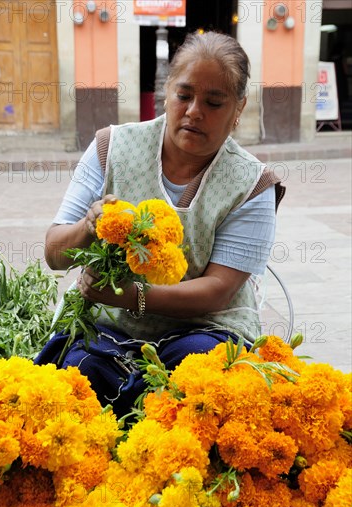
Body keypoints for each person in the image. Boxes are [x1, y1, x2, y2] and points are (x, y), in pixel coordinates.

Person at [44, 31, 282, 414]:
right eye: (184, 95)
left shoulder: (252, 184)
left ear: (239, 109)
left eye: (214, 102)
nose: (194, 111)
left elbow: (217, 291)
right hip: (111, 326)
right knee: (78, 376)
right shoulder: (112, 148)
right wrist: (89, 227)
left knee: (198, 384)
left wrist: (131, 296)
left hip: (204, 328)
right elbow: (55, 254)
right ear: (166, 92)